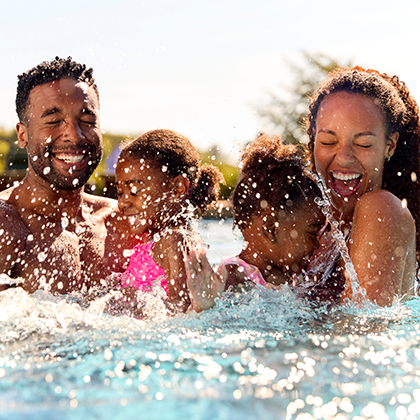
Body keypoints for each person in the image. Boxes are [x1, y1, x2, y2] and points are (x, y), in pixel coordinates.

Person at [0, 57, 137, 294]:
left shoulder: (123, 221)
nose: (74, 136)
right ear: (23, 135)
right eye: (53, 121)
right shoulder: (6, 226)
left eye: (87, 120)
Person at [306, 66, 420, 306]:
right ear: (313, 137)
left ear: (390, 145)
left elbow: (360, 330)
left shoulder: (383, 209)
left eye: (363, 144)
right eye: (328, 141)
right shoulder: (316, 226)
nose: (344, 157)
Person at [186, 134, 327, 312]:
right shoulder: (233, 277)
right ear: (271, 228)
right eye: (313, 233)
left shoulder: (294, 278)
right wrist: (205, 307)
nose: (318, 244)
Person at [115, 129, 224, 314]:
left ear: (177, 189)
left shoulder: (174, 241)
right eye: (119, 192)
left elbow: (180, 311)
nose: (122, 202)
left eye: (134, 191)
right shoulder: (164, 239)